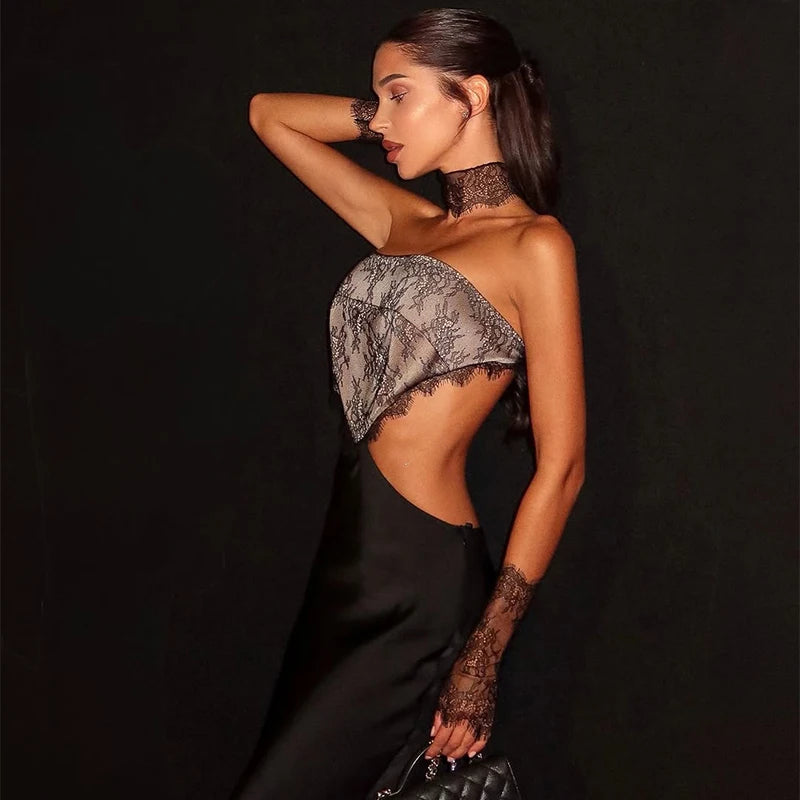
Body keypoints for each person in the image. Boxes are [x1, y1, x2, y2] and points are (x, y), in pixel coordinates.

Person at [231, 7, 585, 799]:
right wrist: (389, 109)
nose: (382, 122)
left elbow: (561, 468)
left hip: (420, 582)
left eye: (398, 95)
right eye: (376, 101)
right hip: (345, 563)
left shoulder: (535, 245)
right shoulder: (404, 220)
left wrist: (486, 650)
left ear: (474, 95)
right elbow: (268, 115)